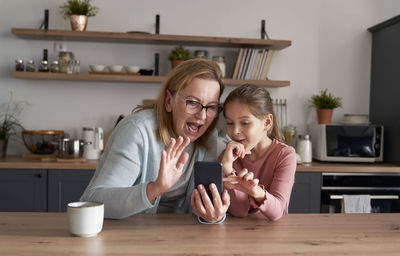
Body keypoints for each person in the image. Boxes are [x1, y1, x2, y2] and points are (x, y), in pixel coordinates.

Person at [80, 59, 230, 223]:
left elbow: (203, 210)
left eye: (211, 107)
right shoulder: (137, 131)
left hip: (182, 239)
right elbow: (94, 202)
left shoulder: (210, 139)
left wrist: (214, 215)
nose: (202, 116)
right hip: (129, 238)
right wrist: (155, 189)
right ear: (168, 101)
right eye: (193, 103)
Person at [219, 84, 296, 221]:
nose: (235, 131)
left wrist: (254, 191)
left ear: (267, 122)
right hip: (236, 235)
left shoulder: (285, 155)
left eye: (245, 123)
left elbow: (278, 212)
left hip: (273, 235)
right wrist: (227, 169)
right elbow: (238, 212)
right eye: (230, 123)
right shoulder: (227, 157)